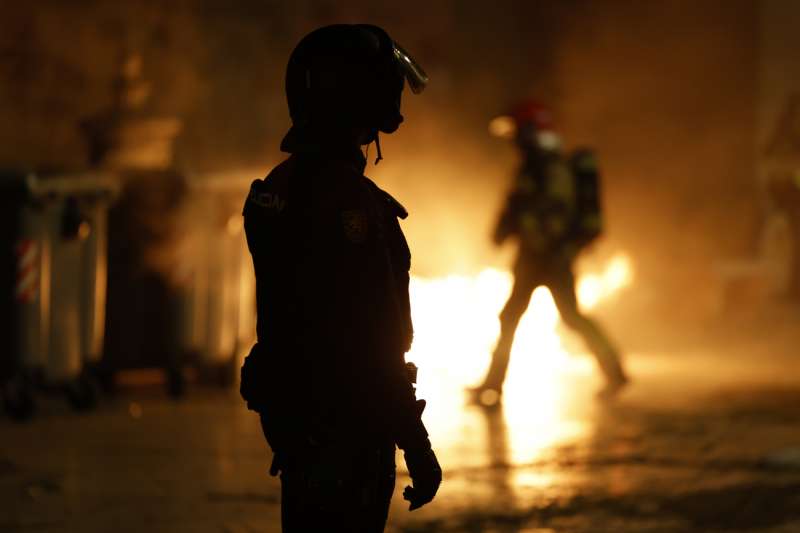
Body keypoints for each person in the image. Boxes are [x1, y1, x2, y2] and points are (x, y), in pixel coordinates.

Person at [239, 25, 441, 533]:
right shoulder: (353, 206)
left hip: (296, 426)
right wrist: (416, 445)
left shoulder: (278, 189)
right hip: (348, 428)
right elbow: (376, 339)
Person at [471, 99, 629, 405]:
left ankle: (614, 372)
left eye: (517, 131)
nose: (514, 140)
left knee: (548, 317)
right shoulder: (538, 164)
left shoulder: (549, 166)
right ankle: (493, 385)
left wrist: (533, 237)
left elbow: (545, 210)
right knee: (520, 317)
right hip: (540, 257)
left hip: (547, 258)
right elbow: (519, 205)